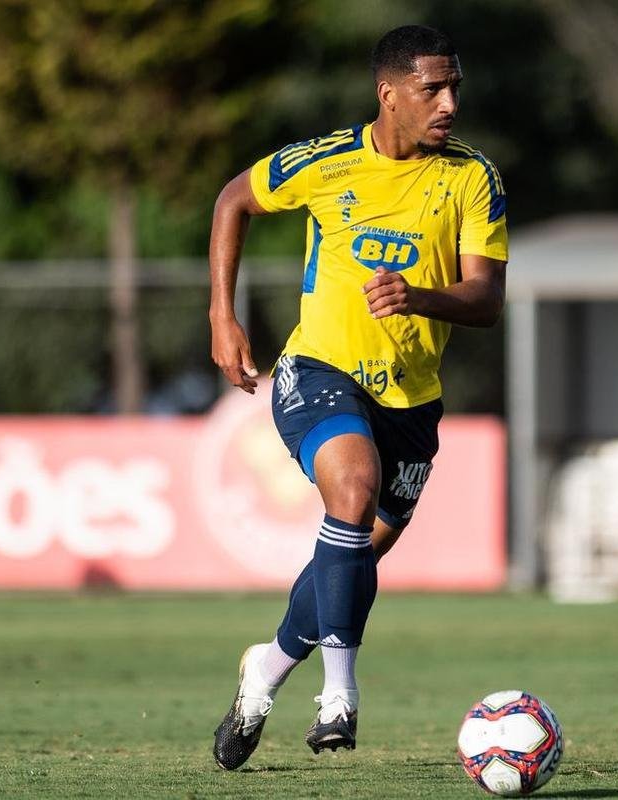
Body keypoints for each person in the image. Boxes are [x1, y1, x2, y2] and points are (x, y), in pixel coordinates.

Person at [207, 25, 507, 770]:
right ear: (389, 94)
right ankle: (338, 697)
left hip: (410, 398)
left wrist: (420, 296)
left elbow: (485, 299)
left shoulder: (473, 177)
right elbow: (232, 201)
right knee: (352, 488)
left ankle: (265, 670)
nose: (448, 102)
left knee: (355, 552)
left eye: (454, 87)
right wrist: (221, 314)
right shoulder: (324, 161)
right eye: (432, 89)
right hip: (318, 368)